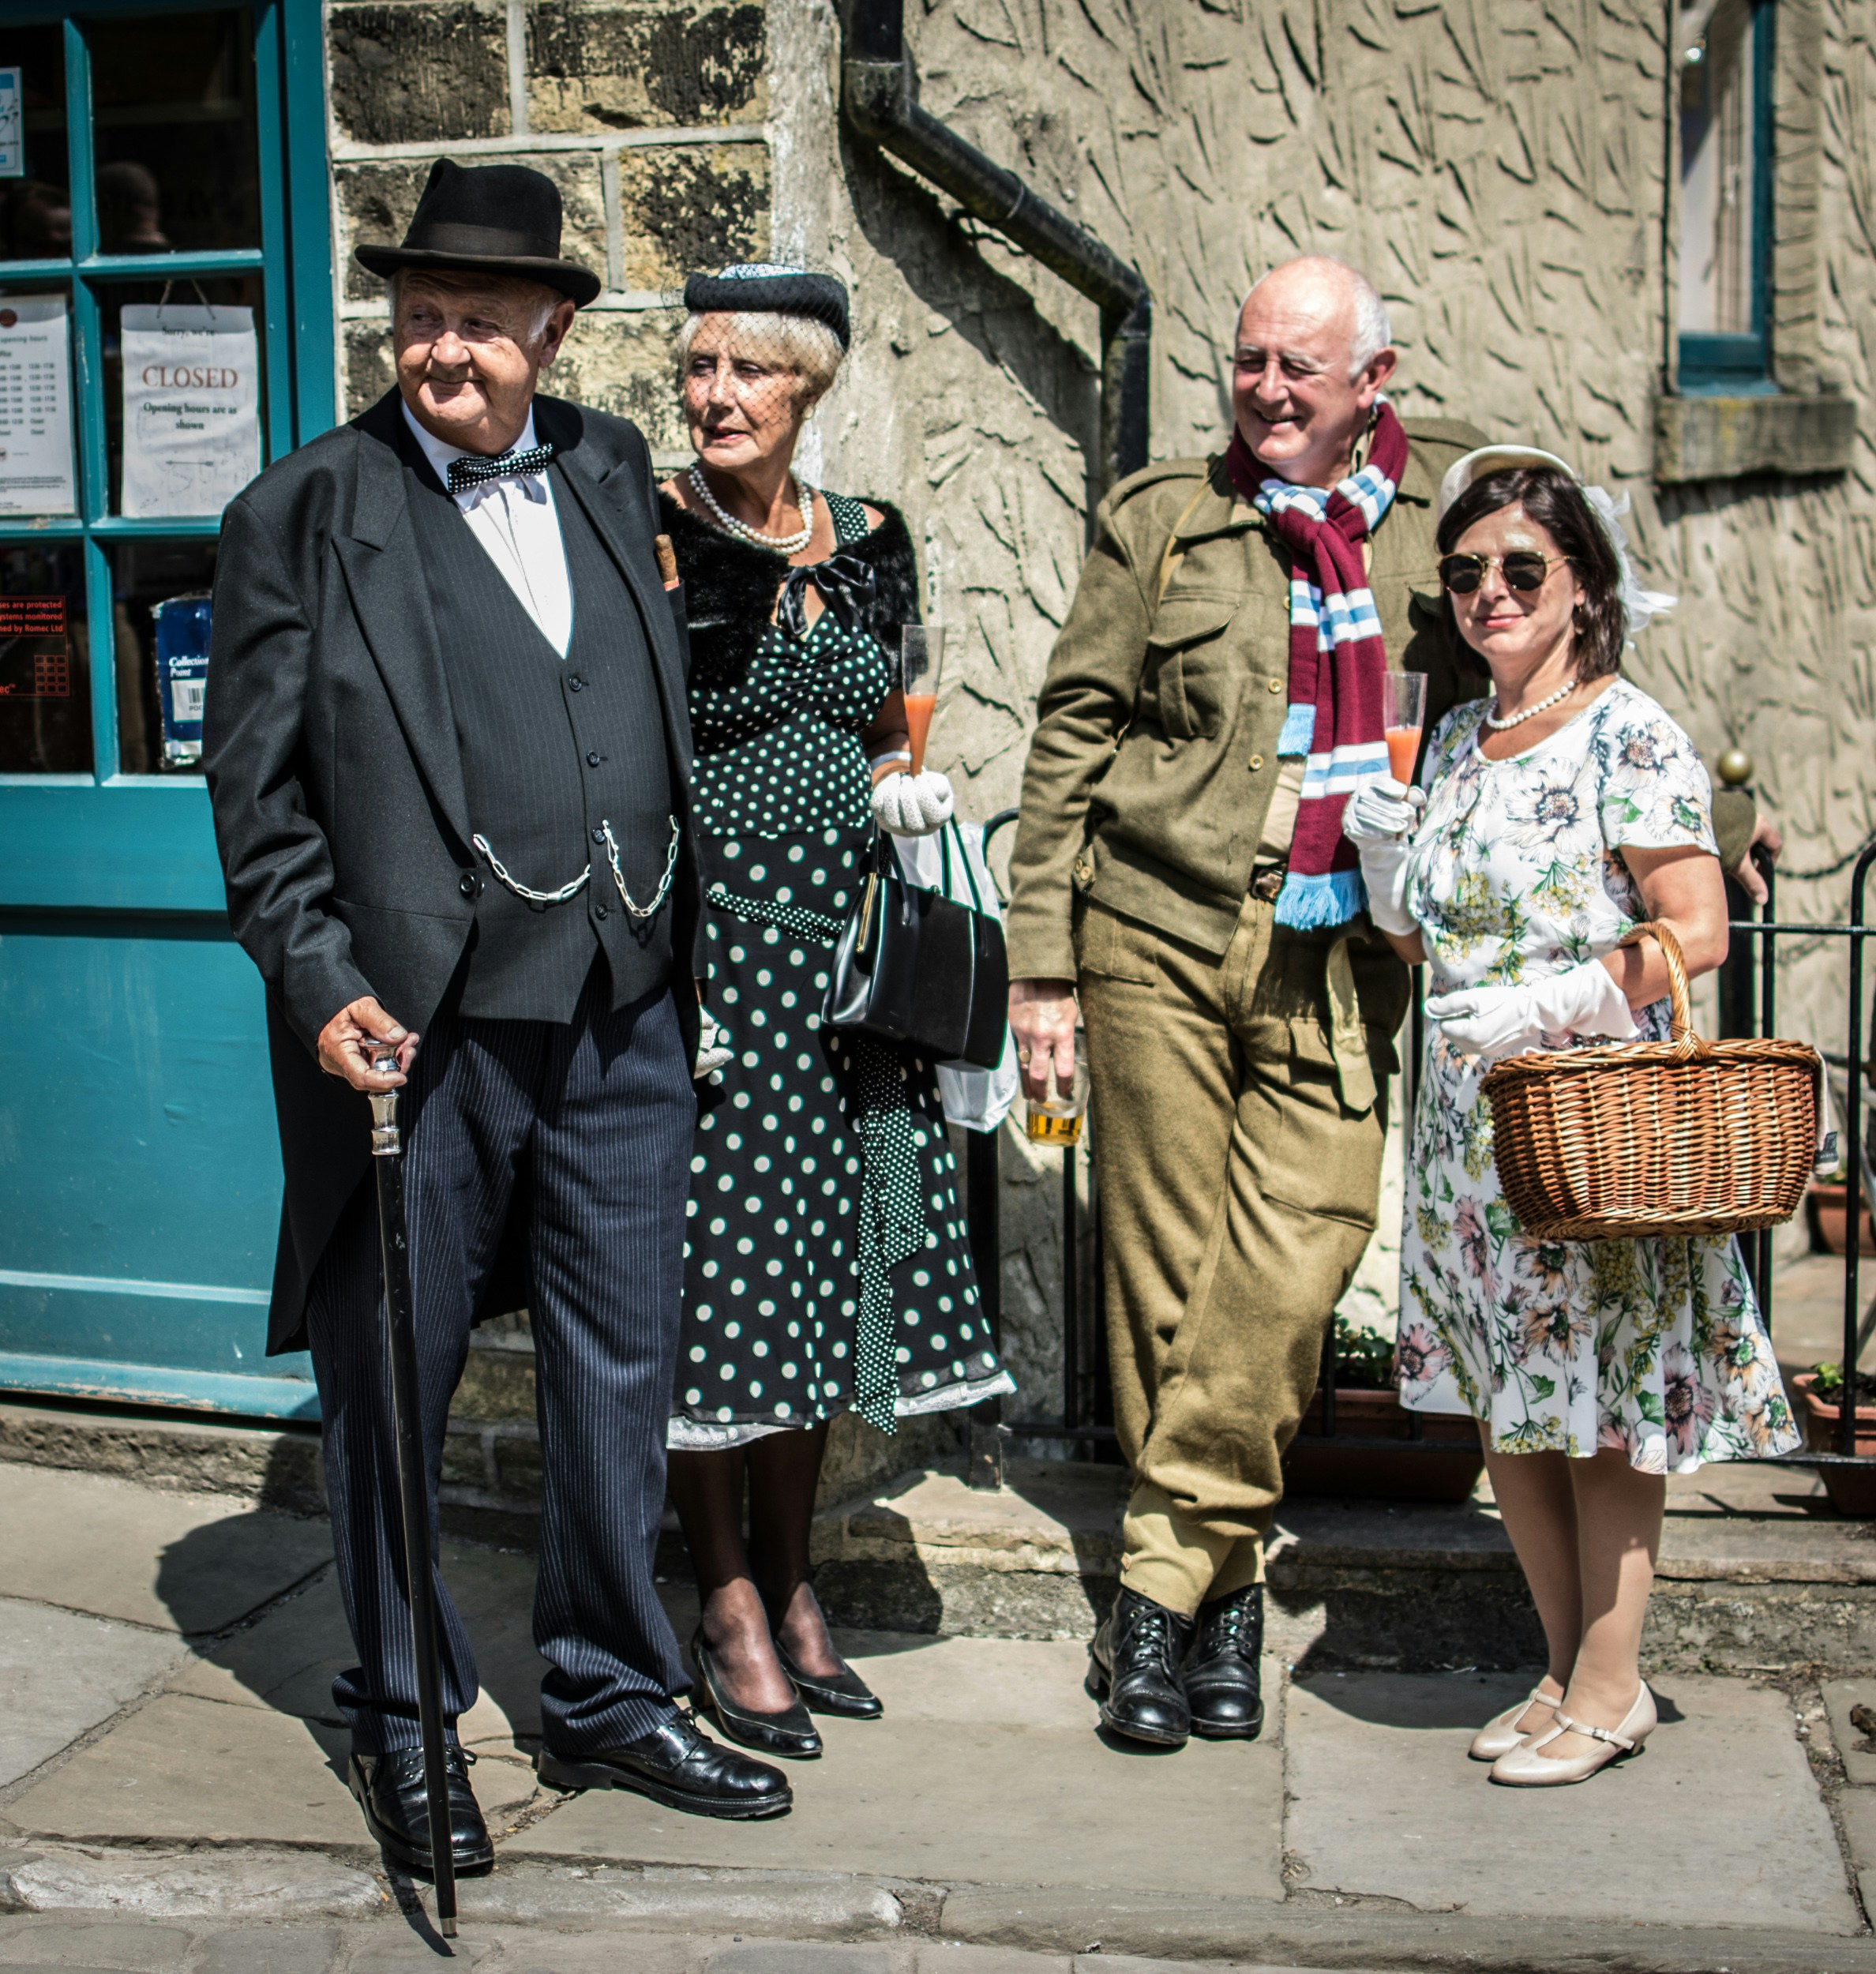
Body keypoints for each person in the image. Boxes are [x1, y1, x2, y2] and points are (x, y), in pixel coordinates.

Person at [204, 162, 794, 1875]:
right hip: (418, 1028)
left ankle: (609, 1680)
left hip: (620, 1007)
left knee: (622, 1362)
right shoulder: (302, 513)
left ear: (551, 329)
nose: (442, 347)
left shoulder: (612, 466)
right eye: (419, 316)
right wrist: (318, 983)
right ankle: (401, 1713)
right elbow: (257, 801)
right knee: (393, 1373)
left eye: (478, 318)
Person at [1004, 256, 1489, 1751]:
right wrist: (1041, 960)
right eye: (1249, 360)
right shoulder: (1164, 520)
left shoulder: (1454, 533)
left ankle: (1156, 1582)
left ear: (1373, 387)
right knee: (1160, 1273)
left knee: (1300, 1250)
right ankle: (1210, 1620)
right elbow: (1076, 726)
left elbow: (1541, 673)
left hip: (1339, 952)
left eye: (1301, 368)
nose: (1267, 391)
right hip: (1154, 926)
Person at [1342, 449, 1799, 1786]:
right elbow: (1438, 950)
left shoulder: (1631, 730)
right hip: (1468, 1137)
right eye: (1468, 571)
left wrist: (1547, 1007)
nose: (1491, 591)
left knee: (1601, 1410)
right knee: (1514, 1407)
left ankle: (1614, 1688)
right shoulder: (1465, 740)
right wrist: (1385, 871)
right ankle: (1558, 1674)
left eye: (1522, 569)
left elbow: (1699, 929)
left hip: (1586, 1126)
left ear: (1584, 589)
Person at [658, 264, 1011, 1759]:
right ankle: (725, 1596)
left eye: (746, 371)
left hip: (851, 970)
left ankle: (797, 1584)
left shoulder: (873, 540)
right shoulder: (655, 535)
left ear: (808, 388)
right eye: (697, 369)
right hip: (718, 967)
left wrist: (901, 792)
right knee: (713, 1299)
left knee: (811, 1284)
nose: (714, 395)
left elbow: (883, 719)